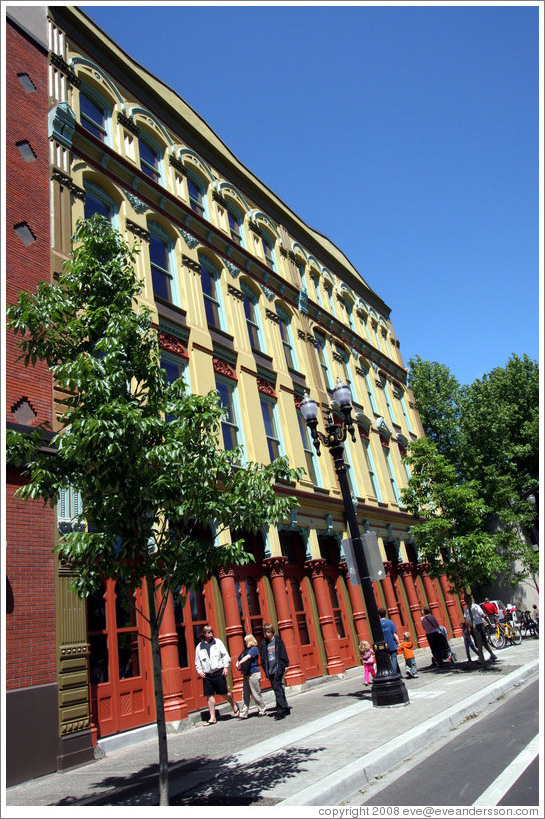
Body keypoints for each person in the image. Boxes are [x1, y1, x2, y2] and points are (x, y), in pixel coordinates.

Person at [195, 624, 240, 725]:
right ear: (204, 634)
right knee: (209, 695)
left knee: (224, 693)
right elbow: (197, 662)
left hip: (218, 672)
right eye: (209, 632)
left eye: (212, 632)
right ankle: (212, 717)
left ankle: (233, 705)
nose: (211, 634)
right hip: (207, 675)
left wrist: (225, 667)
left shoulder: (218, 643)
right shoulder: (199, 647)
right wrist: (200, 671)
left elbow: (225, 656)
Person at [259, 622, 290, 720]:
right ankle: (285, 707)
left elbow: (283, 653)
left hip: (277, 668)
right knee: (278, 688)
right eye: (265, 632)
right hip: (270, 669)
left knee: (277, 689)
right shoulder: (264, 643)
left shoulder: (278, 641)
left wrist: (284, 665)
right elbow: (263, 657)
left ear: (272, 632)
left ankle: (280, 711)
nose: (266, 634)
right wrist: (265, 668)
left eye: (268, 632)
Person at [236, 634, 266, 718]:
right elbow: (239, 658)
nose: (244, 643)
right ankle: (243, 713)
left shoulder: (254, 649)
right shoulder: (245, 650)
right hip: (246, 674)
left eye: (245, 641)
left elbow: (248, 657)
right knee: (245, 694)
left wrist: (240, 662)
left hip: (253, 673)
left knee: (256, 693)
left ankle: (262, 709)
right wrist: (237, 663)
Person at [463, 594, 497, 664]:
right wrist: (467, 629)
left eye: (467, 599)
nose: (466, 601)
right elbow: (466, 619)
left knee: (483, 641)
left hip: (479, 625)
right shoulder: (466, 608)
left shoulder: (476, 606)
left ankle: (489, 655)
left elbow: (483, 615)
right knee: (477, 642)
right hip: (472, 627)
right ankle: (483, 656)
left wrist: (489, 624)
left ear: (470, 599)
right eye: (465, 600)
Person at [378, 607, 400, 673]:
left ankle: (398, 673)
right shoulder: (390, 622)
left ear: (379, 614)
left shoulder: (378, 624)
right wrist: (398, 642)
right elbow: (394, 634)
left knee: (390, 659)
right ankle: (394, 672)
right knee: (394, 658)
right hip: (391, 643)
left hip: (384, 644)